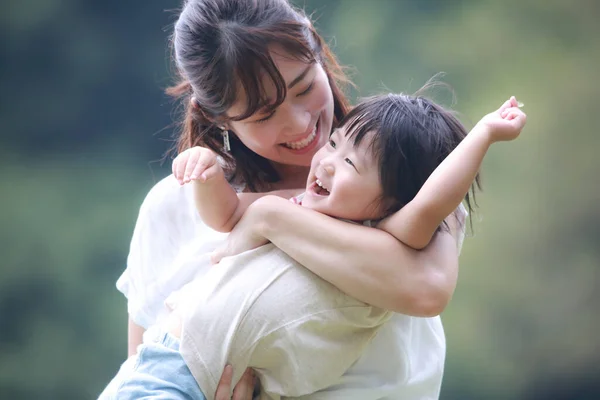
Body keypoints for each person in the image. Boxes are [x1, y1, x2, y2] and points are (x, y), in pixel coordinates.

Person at [115, 0, 492, 398]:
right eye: (263, 115)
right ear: (215, 117)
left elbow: (427, 288)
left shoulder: (406, 177)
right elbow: (141, 369)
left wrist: (271, 219)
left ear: (316, 47)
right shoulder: (172, 209)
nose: (299, 124)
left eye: (305, 88)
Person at [102, 92, 526, 400]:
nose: (325, 160)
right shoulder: (300, 206)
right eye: (336, 143)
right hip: (170, 364)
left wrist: (484, 134)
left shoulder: (392, 233)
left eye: (349, 163)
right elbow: (227, 214)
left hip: (196, 375)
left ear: (395, 201)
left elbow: (434, 201)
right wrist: (207, 173)